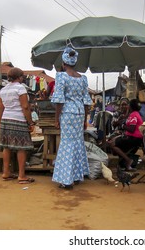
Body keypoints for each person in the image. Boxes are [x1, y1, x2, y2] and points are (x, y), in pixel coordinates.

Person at [51, 47, 92, 190]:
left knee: (67, 144)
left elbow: (59, 100)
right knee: (77, 143)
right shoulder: (83, 78)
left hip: (68, 114)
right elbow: (86, 101)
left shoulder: (62, 76)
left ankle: (67, 180)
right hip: (80, 114)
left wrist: (56, 118)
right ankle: (77, 175)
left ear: (63, 63)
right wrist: (85, 119)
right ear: (74, 63)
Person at [0, 67, 35, 184]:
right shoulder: (20, 88)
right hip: (18, 120)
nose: (23, 78)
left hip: (5, 120)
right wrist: (30, 122)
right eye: (22, 76)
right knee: (21, 147)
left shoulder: (3, 90)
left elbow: (0, 109)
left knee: (6, 146)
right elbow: (25, 107)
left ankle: (6, 172)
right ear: (19, 77)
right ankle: (22, 175)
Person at [110, 98, 144, 171]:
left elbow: (131, 129)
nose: (126, 106)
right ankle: (124, 162)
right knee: (113, 140)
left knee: (112, 144)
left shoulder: (134, 115)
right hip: (131, 136)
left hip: (134, 138)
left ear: (130, 106)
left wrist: (121, 125)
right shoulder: (133, 114)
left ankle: (128, 160)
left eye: (127, 105)